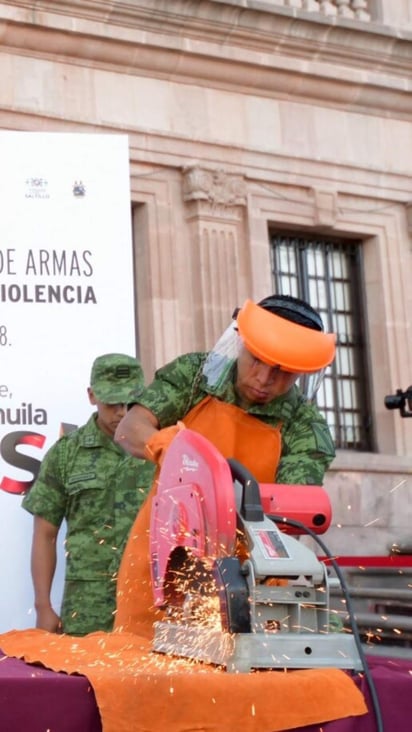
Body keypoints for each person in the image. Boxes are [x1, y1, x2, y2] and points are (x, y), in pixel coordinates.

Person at [113, 294, 337, 635]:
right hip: (162, 561)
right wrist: (171, 448)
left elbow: (291, 510)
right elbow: (129, 430)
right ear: (241, 344)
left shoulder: (303, 425)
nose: (264, 378)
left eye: (283, 372)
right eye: (256, 361)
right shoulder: (194, 376)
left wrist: (277, 576)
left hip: (242, 574)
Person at [22, 353, 155, 636]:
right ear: (92, 396)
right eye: (112, 403)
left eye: (130, 402)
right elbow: (45, 534)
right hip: (86, 612)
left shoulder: (159, 449)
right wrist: (43, 606)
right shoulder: (66, 454)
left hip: (150, 608)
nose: (121, 412)